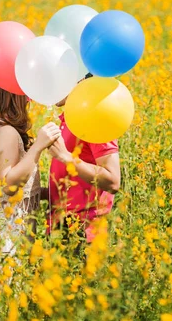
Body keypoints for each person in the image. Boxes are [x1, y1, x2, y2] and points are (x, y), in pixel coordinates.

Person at [0, 69, 60, 255]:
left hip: (6, 236)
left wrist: (46, 194)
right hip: (4, 241)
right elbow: (8, 184)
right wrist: (38, 147)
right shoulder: (6, 132)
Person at [47, 73, 121, 244]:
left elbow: (113, 180)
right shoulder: (71, 118)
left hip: (84, 232)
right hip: (61, 224)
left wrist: (66, 157)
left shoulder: (95, 118)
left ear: (79, 80)